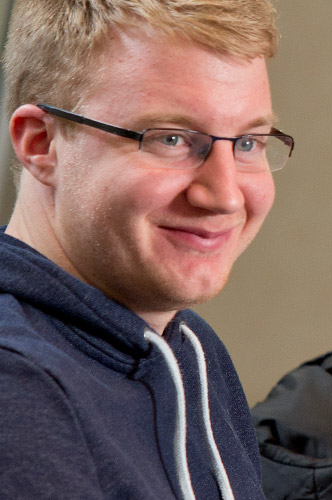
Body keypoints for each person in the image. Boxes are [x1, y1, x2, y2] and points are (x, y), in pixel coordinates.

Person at [0, 0, 292, 498]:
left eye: (248, 143)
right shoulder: (18, 388)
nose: (223, 195)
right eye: (172, 139)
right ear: (41, 144)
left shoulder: (191, 350)